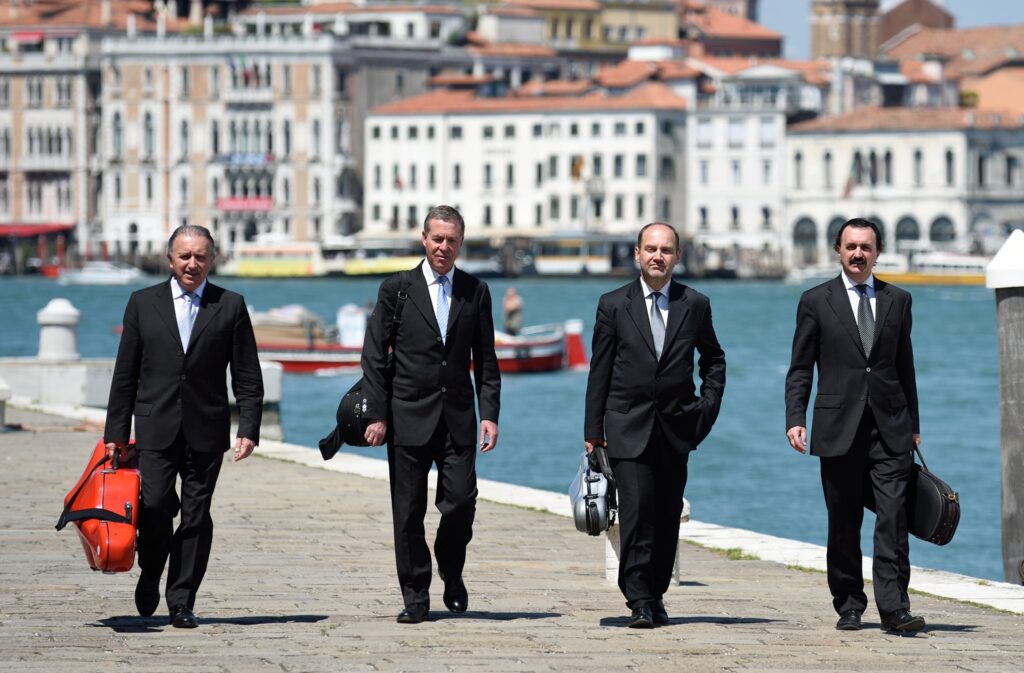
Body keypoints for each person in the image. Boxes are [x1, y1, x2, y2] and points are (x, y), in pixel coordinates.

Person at [104, 225, 263, 629]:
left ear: (213, 259)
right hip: (156, 426)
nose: (192, 264)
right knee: (155, 506)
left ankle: (181, 601)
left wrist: (248, 426)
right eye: (184, 256)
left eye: (200, 256)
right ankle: (151, 570)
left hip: (207, 428)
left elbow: (246, 373)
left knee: (195, 516)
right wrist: (115, 435)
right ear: (170, 259)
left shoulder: (230, 305)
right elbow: (125, 374)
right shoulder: (143, 303)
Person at [361, 205, 501, 624]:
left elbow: (487, 360)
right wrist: (377, 414)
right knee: (407, 512)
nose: (444, 247)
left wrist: (489, 413)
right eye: (437, 239)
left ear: (461, 243)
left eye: (452, 240)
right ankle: (416, 595)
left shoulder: (476, 292)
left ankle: (450, 567)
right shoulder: (397, 289)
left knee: (460, 503)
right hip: (406, 415)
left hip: (458, 416)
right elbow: (373, 355)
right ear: (424, 239)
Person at [785, 217, 924, 633]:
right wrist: (795, 417)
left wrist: (913, 425)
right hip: (836, 426)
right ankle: (848, 602)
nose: (858, 254)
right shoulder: (815, 300)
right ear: (839, 251)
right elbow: (800, 368)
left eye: (866, 247)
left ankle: (894, 608)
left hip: (891, 427)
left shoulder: (899, 300)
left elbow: (905, 367)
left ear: (878, 252)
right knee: (843, 521)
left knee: (893, 520)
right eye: (851, 247)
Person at [584, 222, 726, 628]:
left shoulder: (694, 304)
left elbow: (713, 359)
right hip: (627, 426)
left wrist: (707, 405)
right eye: (650, 249)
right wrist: (593, 431)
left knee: (665, 516)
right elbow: (601, 370)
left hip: (677, 428)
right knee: (636, 511)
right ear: (637, 254)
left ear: (677, 257)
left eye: (665, 250)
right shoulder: (613, 304)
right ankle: (639, 598)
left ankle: (657, 592)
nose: (657, 256)